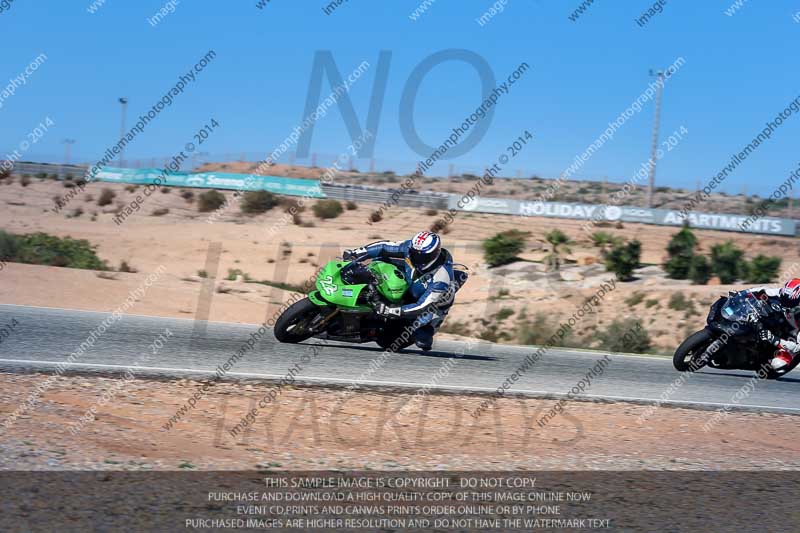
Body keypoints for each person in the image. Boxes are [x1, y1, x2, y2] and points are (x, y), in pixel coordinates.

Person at [343, 231, 466, 351]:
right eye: (414, 253)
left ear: (435, 254)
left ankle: (422, 330)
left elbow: (422, 306)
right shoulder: (411, 248)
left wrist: (393, 311)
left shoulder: (441, 278)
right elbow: (385, 246)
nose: (416, 258)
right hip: (412, 278)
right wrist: (356, 252)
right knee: (380, 260)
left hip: (430, 305)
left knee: (422, 338)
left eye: (422, 256)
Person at [743, 278, 800, 370]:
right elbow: (761, 290)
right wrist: (741, 294)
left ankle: (765, 358)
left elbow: (797, 347)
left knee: (777, 364)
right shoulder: (780, 293)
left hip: (790, 337)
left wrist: (773, 339)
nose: (785, 303)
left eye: (790, 302)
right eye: (784, 298)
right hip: (776, 321)